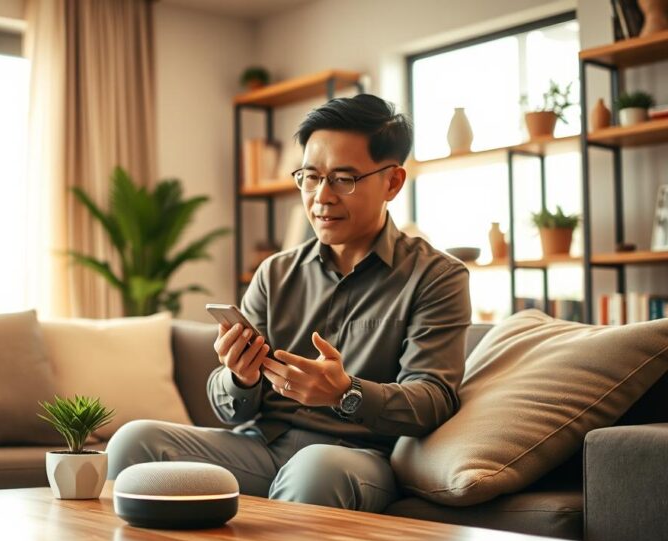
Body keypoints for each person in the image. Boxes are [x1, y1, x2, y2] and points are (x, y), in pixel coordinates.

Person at [107, 94, 471, 513]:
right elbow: (227, 408)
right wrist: (239, 379)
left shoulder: (437, 276)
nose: (321, 197)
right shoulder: (274, 274)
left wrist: (346, 392)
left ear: (392, 182)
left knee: (315, 467)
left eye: (344, 179)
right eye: (311, 176)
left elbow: (434, 399)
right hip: (262, 446)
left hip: (355, 458)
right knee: (134, 440)